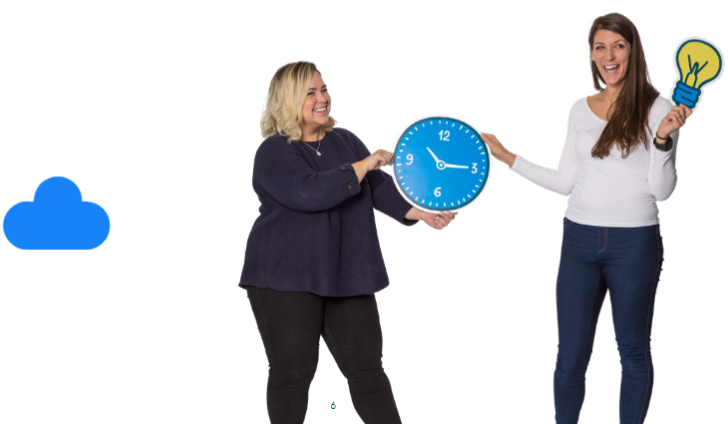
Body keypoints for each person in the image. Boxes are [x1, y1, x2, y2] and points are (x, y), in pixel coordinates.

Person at [480, 13, 691, 424]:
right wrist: (509, 158)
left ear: (633, 50)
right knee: (570, 356)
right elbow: (566, 182)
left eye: (618, 46)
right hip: (578, 240)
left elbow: (662, 191)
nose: (608, 56)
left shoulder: (659, 108)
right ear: (591, 54)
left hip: (635, 243)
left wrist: (663, 138)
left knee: (632, 351)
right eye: (600, 47)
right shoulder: (580, 109)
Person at [239, 61, 457, 424]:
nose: (323, 98)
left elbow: (374, 187)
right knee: (293, 375)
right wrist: (365, 163)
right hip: (285, 278)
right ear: (289, 100)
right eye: (310, 93)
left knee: (368, 372)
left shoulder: (345, 141)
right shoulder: (274, 152)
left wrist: (419, 213)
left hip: (346, 272)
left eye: (324, 89)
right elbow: (309, 192)